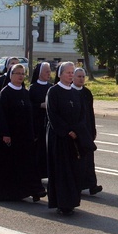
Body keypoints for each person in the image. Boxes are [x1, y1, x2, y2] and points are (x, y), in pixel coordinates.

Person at [0, 63, 45, 202]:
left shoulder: (25, 93)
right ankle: (7, 192)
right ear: (11, 75)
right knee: (9, 166)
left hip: (24, 136)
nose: (20, 76)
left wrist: (33, 133)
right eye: (18, 73)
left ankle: (31, 190)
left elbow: (30, 114)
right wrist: (5, 134)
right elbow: (1, 116)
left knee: (26, 164)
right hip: (10, 137)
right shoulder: (5, 93)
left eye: (22, 73)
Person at [46, 61, 95, 215]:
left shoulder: (76, 93)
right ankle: (61, 203)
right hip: (60, 139)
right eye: (68, 72)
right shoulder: (53, 92)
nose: (70, 75)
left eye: (72, 72)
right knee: (61, 172)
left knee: (74, 171)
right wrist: (67, 131)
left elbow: (82, 115)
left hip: (75, 139)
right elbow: (52, 115)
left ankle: (72, 201)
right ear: (60, 74)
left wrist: (77, 131)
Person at [73, 67, 102, 195]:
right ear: (73, 78)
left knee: (89, 159)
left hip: (87, 129)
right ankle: (77, 184)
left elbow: (91, 112)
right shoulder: (70, 92)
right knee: (77, 159)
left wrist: (93, 129)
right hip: (76, 131)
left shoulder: (87, 93)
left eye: (83, 77)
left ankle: (92, 185)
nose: (81, 79)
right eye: (78, 76)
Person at [29, 62, 53, 191]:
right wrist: (40, 105)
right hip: (38, 125)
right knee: (38, 153)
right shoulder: (33, 88)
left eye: (49, 71)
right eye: (46, 71)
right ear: (39, 73)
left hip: (49, 125)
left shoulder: (51, 87)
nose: (49, 74)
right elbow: (29, 106)